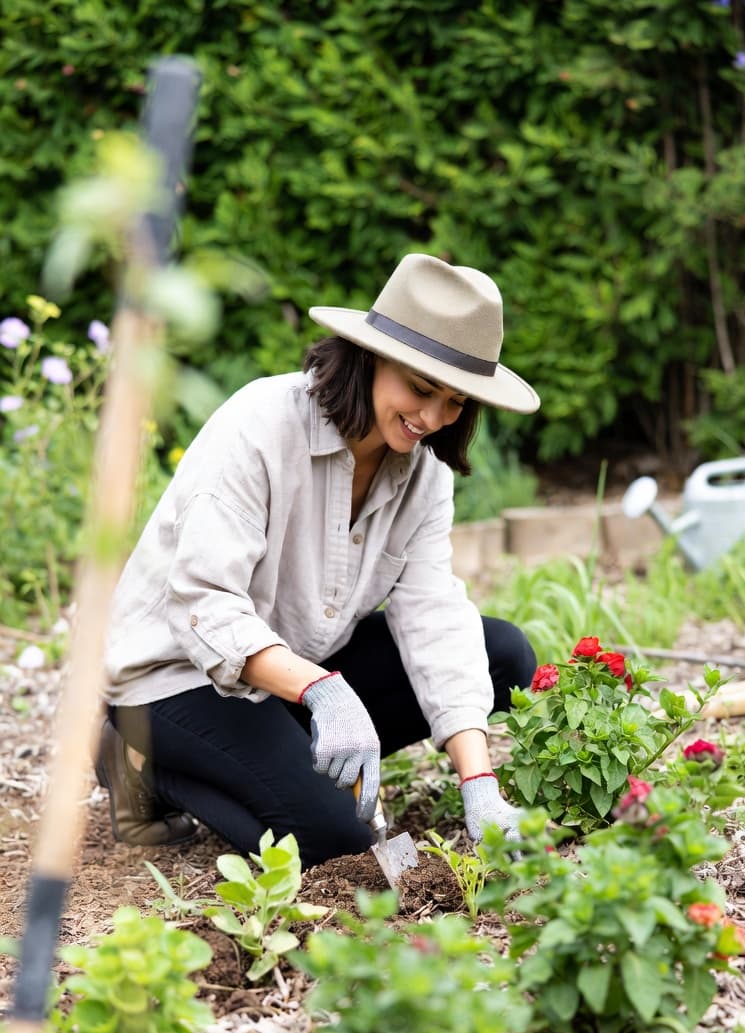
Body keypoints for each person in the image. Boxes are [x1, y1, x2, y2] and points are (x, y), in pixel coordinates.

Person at [95, 252, 540, 866]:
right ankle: (137, 762)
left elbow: (433, 612)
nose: (432, 419)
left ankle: (278, 755)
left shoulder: (423, 471)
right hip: (175, 676)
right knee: (340, 842)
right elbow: (205, 602)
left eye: (456, 402)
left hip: (294, 674)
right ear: (371, 357)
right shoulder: (261, 426)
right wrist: (323, 693)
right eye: (420, 389)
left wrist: (479, 784)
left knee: (502, 656)